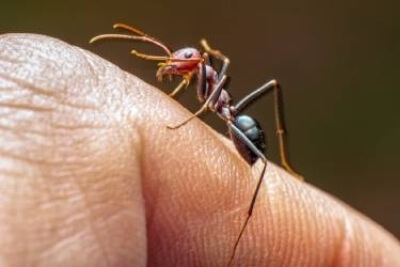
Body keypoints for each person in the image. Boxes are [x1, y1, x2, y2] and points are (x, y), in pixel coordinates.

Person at [0, 33, 399, 266]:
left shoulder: (215, 85)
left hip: (243, 131)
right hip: (230, 120)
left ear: (200, 62)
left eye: (184, 60)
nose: (176, 63)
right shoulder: (201, 75)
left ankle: (271, 185)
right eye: (178, 60)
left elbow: (211, 99)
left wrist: (188, 119)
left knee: (272, 90)